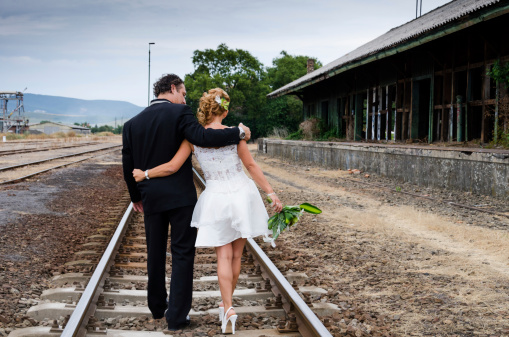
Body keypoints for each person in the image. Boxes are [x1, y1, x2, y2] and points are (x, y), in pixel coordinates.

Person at [133, 88, 283, 334]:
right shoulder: (236, 135)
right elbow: (250, 165)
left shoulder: (194, 138)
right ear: (224, 109)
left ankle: (228, 308)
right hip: (241, 194)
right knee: (236, 256)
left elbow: (172, 166)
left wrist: (145, 174)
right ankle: (227, 306)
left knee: (223, 256)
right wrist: (270, 192)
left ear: (205, 109)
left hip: (216, 198)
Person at [122, 75, 251, 331]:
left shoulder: (131, 124)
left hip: (151, 197)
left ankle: (157, 307)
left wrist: (135, 196)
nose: (184, 98)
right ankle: (177, 318)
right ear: (172, 89)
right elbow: (203, 137)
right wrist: (239, 133)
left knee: (155, 252)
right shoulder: (181, 113)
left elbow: (128, 162)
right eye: (183, 92)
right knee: (182, 255)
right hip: (181, 198)